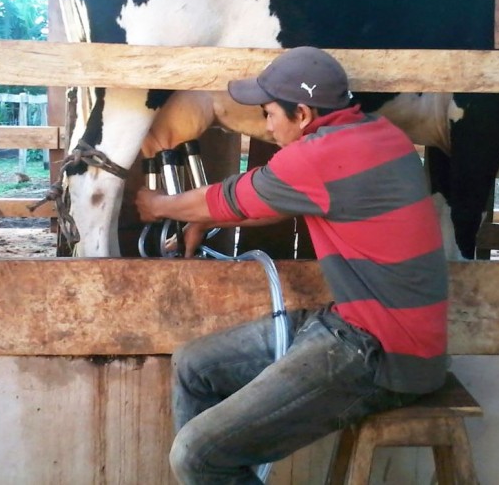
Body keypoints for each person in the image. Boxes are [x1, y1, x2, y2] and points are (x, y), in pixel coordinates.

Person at [135, 46, 449, 484]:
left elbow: (232, 197)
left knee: (196, 455)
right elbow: (268, 203)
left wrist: (159, 206)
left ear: (301, 114)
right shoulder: (380, 135)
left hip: (379, 354)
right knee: (193, 365)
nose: (267, 127)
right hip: (365, 328)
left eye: (268, 114)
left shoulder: (317, 157)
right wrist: (199, 218)